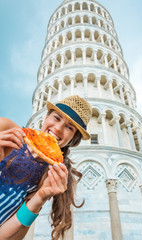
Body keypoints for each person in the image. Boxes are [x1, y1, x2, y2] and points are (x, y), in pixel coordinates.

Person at [0, 95, 92, 240]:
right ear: (46, 116)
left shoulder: (50, 175)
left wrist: (40, 198)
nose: (58, 128)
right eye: (56, 118)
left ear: (72, 140)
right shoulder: (6, 128)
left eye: (69, 127)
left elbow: (10, 236)